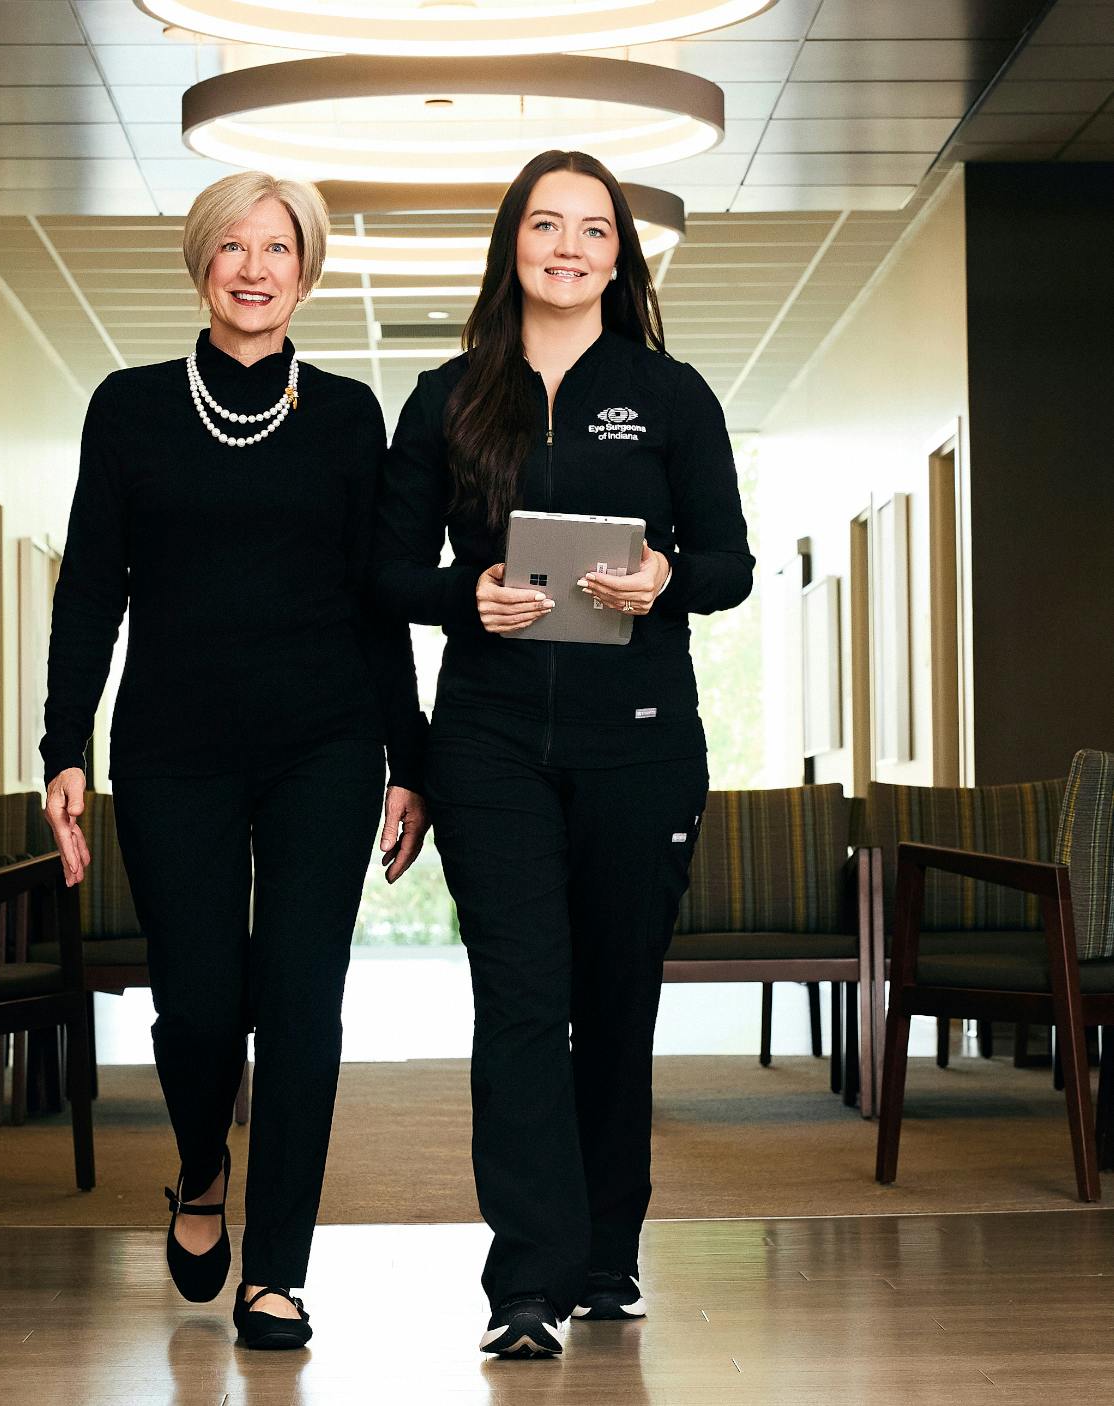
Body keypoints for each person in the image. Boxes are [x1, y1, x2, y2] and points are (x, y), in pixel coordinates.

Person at [39, 171, 430, 1351]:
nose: (254, 268)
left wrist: (408, 758)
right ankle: (201, 1166)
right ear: (201, 263)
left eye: (277, 248)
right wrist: (64, 745)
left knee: (304, 1003)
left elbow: (377, 607)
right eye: (232, 247)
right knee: (201, 1003)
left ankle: (279, 1269)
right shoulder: (130, 408)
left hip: (323, 742)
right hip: (172, 746)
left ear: (305, 269)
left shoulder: (351, 415)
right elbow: (89, 592)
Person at [374, 149, 753, 1358]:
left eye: (594, 228)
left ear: (618, 256)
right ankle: (523, 1282)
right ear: (512, 245)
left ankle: (605, 1251)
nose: (569, 245)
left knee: (612, 1002)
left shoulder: (670, 392)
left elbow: (730, 562)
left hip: (637, 744)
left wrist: (661, 578)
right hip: (486, 744)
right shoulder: (445, 396)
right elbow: (381, 574)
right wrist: (461, 593)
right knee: (523, 1004)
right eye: (546, 224)